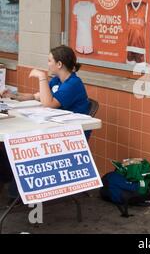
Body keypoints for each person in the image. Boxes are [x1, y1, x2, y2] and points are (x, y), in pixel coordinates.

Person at [0, 45, 90, 201]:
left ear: (59, 64)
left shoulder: (73, 84)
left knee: (24, 146)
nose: (48, 64)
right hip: (53, 126)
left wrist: (41, 77)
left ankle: (19, 192)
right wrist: (14, 95)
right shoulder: (57, 80)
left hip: (71, 135)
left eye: (50, 61)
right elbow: (37, 96)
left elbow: (48, 103)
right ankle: (14, 186)